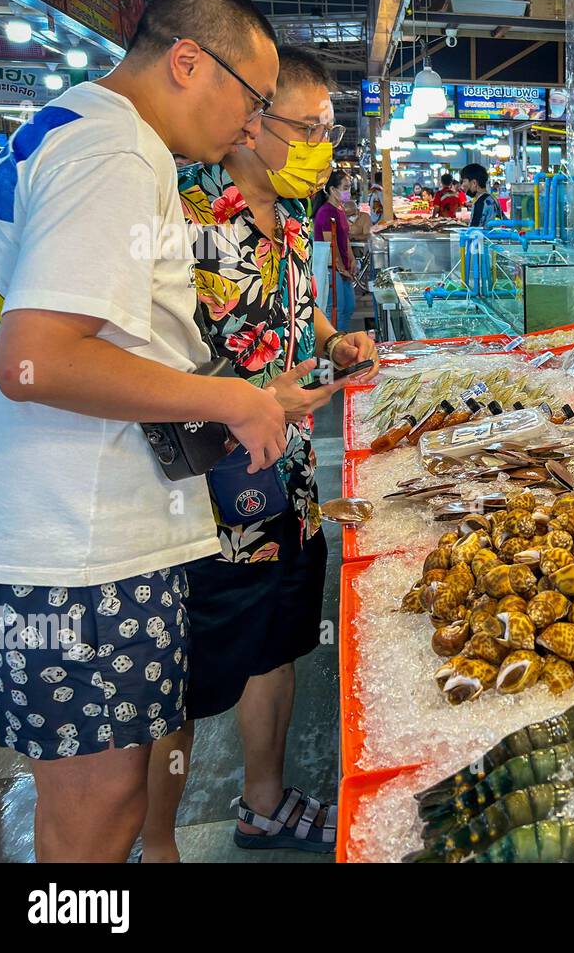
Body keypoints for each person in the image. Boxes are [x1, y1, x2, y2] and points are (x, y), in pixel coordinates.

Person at [0, 0, 288, 862]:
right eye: (254, 99)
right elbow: (34, 357)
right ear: (188, 61)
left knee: (96, 797)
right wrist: (227, 396)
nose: (253, 127)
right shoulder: (119, 153)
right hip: (72, 549)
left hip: (63, 539)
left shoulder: (80, 130)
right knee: (101, 806)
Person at [138, 47, 379, 860]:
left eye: (328, 128)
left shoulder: (297, 215)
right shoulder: (186, 211)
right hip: (206, 497)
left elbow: (295, 315)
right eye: (309, 126)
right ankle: (155, 839)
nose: (323, 143)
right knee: (188, 679)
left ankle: (263, 802)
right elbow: (142, 359)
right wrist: (247, 400)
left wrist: (333, 343)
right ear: (251, 120)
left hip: (295, 477)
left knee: (282, 641)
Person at [314, 170, 356, 331]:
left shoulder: (340, 209)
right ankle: (333, 347)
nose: (348, 192)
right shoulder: (325, 212)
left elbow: (345, 238)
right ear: (332, 190)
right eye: (345, 187)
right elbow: (330, 244)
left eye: (349, 187)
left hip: (343, 266)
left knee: (349, 307)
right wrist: (340, 267)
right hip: (331, 268)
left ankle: (343, 338)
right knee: (336, 310)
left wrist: (351, 259)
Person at [461, 162, 502, 228]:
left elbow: (473, 232)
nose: (462, 185)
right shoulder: (492, 198)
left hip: (485, 238)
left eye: (464, 181)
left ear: (474, 183)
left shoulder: (480, 203)